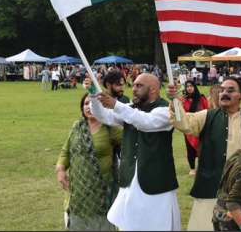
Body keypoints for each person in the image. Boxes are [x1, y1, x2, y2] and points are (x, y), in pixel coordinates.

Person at [167, 77, 241, 231]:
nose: (224, 93)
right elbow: (182, 121)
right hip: (209, 187)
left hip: (238, 193)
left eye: (230, 90)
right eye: (221, 90)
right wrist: (174, 100)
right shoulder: (206, 116)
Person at [85, 73, 180, 230]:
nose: (133, 89)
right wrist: (94, 94)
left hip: (157, 182)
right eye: (134, 85)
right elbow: (103, 115)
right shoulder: (130, 109)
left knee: (158, 225)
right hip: (130, 180)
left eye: (139, 86)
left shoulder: (166, 110)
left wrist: (116, 105)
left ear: (153, 89)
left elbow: (145, 122)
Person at [56, 93, 122, 230]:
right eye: (86, 103)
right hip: (78, 192)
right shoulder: (77, 127)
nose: (89, 107)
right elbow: (66, 151)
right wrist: (60, 169)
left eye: (93, 103)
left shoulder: (111, 128)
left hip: (101, 192)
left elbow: (133, 144)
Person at [181, 80, 210, 175]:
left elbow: (207, 110)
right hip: (189, 127)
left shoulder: (201, 98)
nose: (189, 88)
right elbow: (180, 113)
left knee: (203, 147)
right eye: (187, 86)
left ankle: (203, 166)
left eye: (191, 86)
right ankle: (192, 169)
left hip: (201, 125)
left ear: (194, 87)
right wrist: (182, 102)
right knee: (190, 148)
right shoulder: (182, 99)